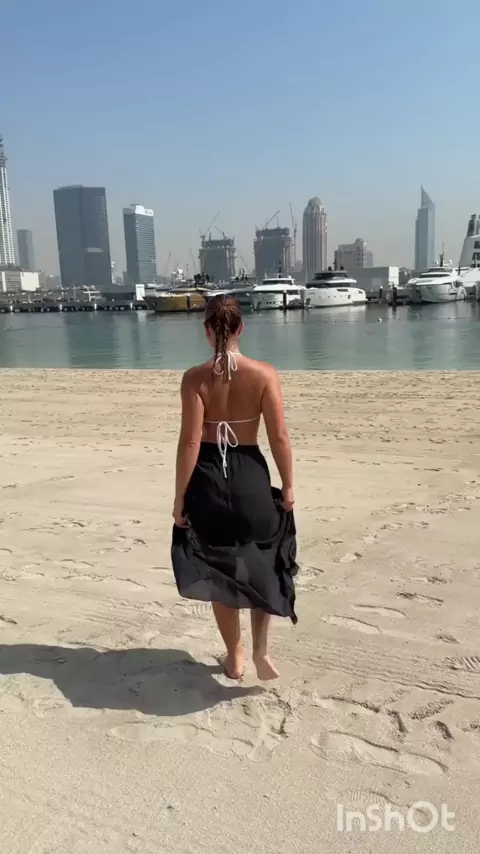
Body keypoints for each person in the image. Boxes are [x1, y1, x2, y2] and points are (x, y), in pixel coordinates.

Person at [171, 294, 297, 681]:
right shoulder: (264, 375)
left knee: (219, 570)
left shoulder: (195, 378)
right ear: (242, 327)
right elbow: (279, 436)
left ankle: (235, 655)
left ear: (207, 331)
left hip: (209, 478)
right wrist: (288, 485)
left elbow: (190, 442)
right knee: (262, 563)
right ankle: (260, 651)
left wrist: (179, 498)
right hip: (250, 476)